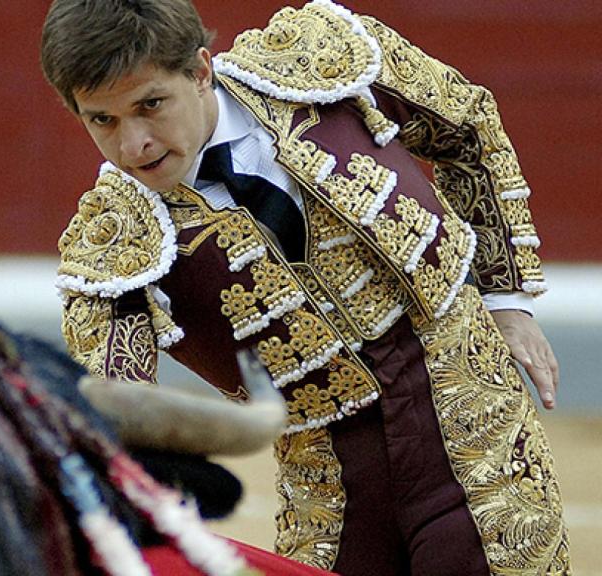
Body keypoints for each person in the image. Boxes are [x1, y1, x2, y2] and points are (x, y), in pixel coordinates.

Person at [40, 0, 570, 574]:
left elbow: (467, 131)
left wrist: (506, 297)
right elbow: (112, 406)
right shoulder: (112, 247)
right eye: (103, 120)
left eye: (150, 105)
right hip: (328, 489)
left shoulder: (323, 61)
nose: (134, 145)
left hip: (469, 415)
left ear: (199, 71)